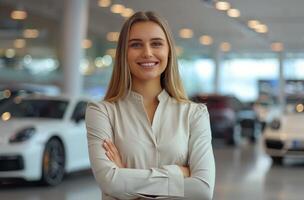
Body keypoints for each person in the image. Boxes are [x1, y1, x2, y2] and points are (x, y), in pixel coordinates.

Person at [85, 11, 215, 200]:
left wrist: (125, 176)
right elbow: (109, 182)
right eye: (136, 44)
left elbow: (203, 189)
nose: (147, 52)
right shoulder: (102, 112)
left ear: (168, 51)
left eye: (156, 43)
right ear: (124, 54)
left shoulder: (195, 114)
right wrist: (178, 173)